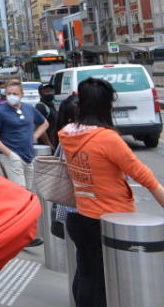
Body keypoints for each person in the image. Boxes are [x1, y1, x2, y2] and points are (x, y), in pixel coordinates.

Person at [60, 77, 164, 307]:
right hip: (110, 220)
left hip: (80, 215)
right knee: (104, 283)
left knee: (86, 274)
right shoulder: (107, 139)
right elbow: (145, 177)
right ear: (106, 105)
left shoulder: (67, 133)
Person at [0, 79, 49, 190]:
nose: (11, 96)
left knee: (29, 191)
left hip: (28, 155)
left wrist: (34, 136)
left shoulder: (28, 108)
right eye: (9, 94)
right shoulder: (0, 112)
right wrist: (9, 154)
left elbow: (44, 123)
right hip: (11, 157)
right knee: (20, 190)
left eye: (15, 94)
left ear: (21, 94)